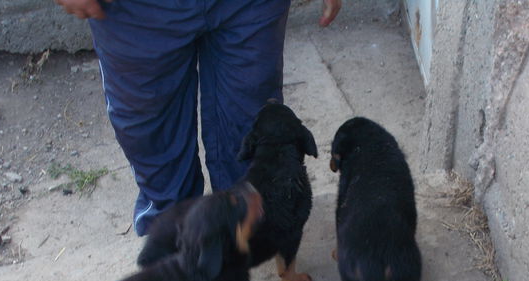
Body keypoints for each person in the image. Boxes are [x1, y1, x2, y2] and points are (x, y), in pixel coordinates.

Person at [55, 0, 342, 235]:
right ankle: (176, 243)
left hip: (250, 7)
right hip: (136, 10)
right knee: (153, 139)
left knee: (253, 131)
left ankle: (240, 233)